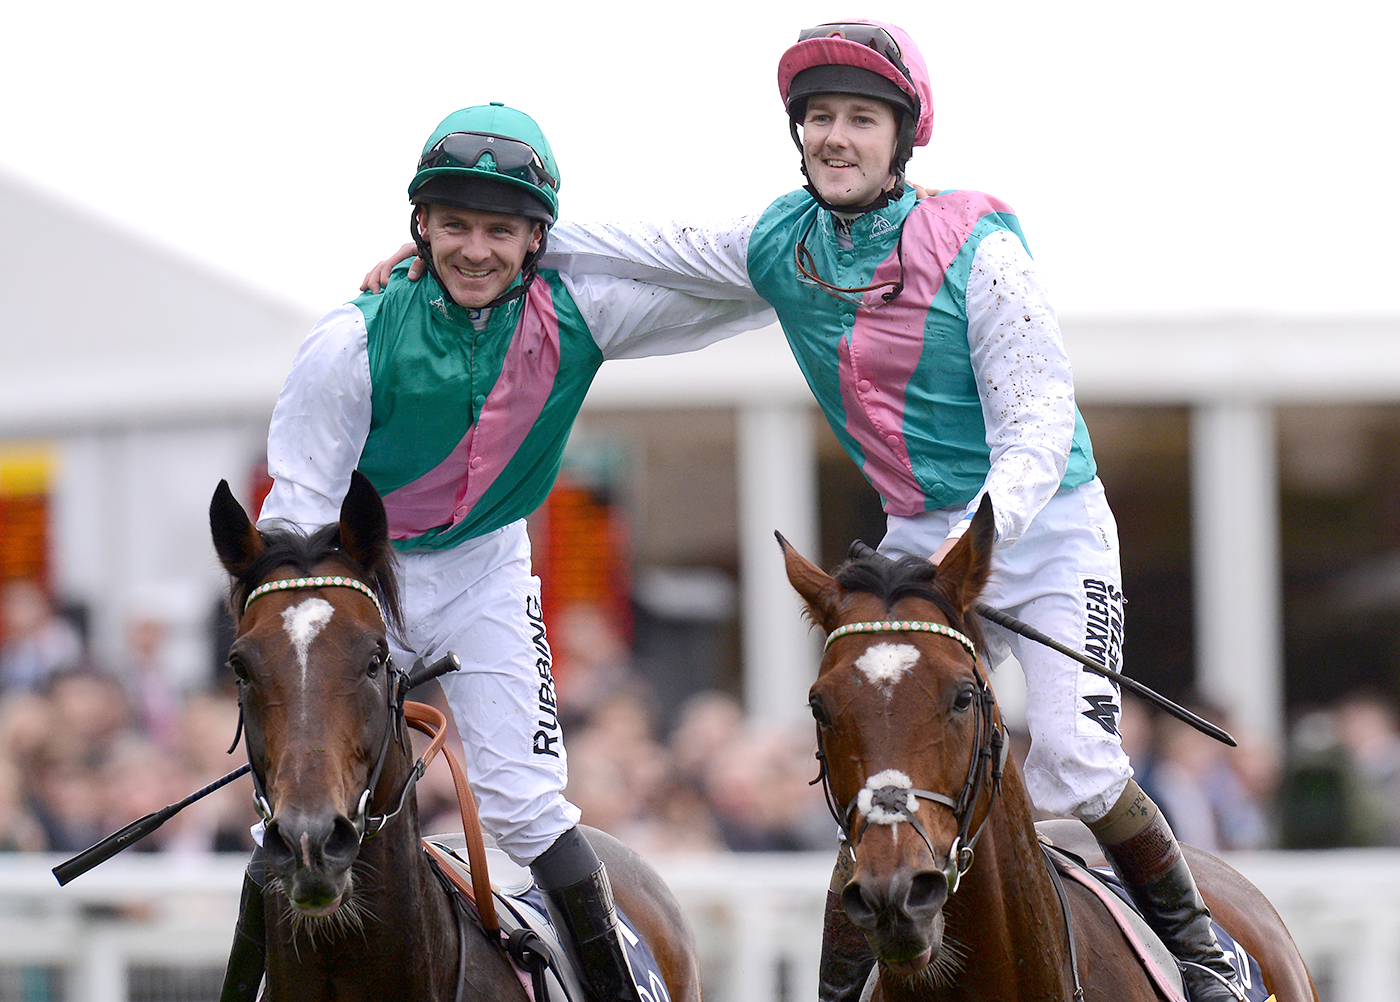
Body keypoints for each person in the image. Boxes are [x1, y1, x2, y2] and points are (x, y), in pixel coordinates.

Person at [370, 22, 1246, 1002]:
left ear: (900, 138)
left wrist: (970, 550)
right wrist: (480, 241)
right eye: (818, 117)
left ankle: (1208, 961)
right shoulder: (782, 241)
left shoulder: (977, 246)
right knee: (877, 755)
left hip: (1039, 532)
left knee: (1075, 772)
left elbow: (1038, 423)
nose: (834, 135)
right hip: (922, 543)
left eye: (859, 119)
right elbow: (647, 248)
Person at [223, 102, 770, 1002]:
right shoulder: (350, 342)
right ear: (421, 228)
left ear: (536, 240)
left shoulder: (581, 311)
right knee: (289, 811)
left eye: (502, 230)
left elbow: (731, 290)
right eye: (455, 226)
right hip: (362, 582)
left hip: (483, 568)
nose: (476, 250)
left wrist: (834, 243)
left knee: (525, 803)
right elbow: (299, 527)